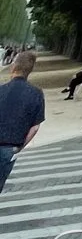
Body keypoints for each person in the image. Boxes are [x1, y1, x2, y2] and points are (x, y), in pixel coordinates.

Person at [0, 52, 45, 192]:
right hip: (11, 146)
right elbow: (35, 127)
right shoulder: (36, 93)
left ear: (13, 67)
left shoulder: (1, 90)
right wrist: (21, 146)